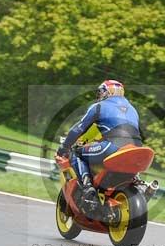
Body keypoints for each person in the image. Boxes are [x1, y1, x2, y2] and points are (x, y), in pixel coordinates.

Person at [56, 79, 143, 213]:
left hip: (112, 147)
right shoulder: (133, 109)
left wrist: (64, 147)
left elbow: (78, 129)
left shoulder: (99, 106)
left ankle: (88, 187)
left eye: (101, 92)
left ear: (108, 92)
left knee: (76, 152)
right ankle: (136, 185)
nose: (100, 95)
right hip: (136, 149)